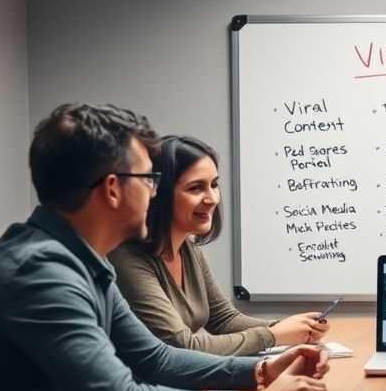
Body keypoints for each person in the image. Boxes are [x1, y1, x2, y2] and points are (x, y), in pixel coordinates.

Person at [0, 104, 333, 391]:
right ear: (113, 188)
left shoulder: (79, 259)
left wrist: (261, 372)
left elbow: (156, 358)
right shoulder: (41, 275)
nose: (154, 192)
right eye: (148, 179)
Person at [109, 135, 328, 356]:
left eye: (214, 185)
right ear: (158, 194)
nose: (213, 198)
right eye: (196, 188)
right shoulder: (126, 259)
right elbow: (182, 346)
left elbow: (225, 320)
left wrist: (292, 329)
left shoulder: (188, 249)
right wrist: (274, 335)